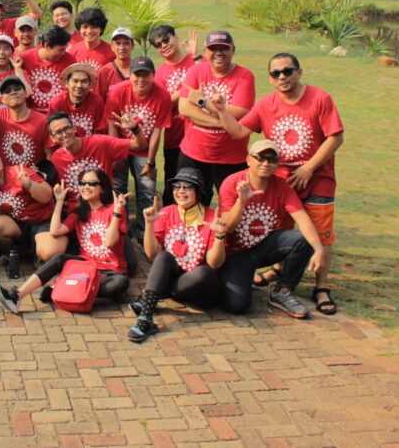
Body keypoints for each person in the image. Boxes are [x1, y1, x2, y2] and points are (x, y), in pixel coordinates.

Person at [209, 53, 344, 315]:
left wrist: (308, 168)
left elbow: (335, 137)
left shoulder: (319, 98)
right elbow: (237, 132)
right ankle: (280, 269)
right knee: (282, 229)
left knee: (320, 231)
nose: (282, 76)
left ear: (299, 72)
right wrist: (222, 110)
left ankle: (321, 286)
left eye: (287, 71)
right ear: (270, 79)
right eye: (276, 73)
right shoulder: (265, 105)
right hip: (279, 179)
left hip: (318, 176)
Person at [0, 170, 131, 315]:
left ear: (102, 188)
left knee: (120, 284)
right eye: (82, 183)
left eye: (92, 183)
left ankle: (64, 289)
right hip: (85, 266)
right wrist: (59, 201)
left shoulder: (114, 210)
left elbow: (109, 243)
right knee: (59, 258)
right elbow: (54, 231)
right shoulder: (80, 212)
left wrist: (117, 213)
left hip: (110, 271)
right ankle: (17, 295)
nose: (86, 187)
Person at [217, 140, 324, 318]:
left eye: (271, 159)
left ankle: (282, 291)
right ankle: (229, 278)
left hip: (264, 245)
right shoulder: (232, 183)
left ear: (277, 164)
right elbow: (228, 227)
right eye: (260, 158)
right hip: (235, 252)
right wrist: (241, 201)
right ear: (248, 159)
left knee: (302, 239)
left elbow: (301, 217)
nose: (265, 163)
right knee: (237, 305)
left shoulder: (282, 185)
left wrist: (319, 248)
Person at [126, 168, 227, 342]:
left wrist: (219, 236)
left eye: (187, 187)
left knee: (204, 272)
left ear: (199, 190)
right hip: (174, 281)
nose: (180, 191)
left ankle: (151, 297)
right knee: (164, 256)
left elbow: (214, 263)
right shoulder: (168, 212)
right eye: (176, 186)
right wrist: (149, 224)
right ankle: (145, 318)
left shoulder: (211, 218)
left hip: (200, 289)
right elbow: (151, 253)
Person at [177, 30, 255, 205]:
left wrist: (202, 102)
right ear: (205, 51)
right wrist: (223, 121)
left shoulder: (245, 76)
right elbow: (184, 108)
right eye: (213, 48)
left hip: (231, 157)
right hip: (193, 153)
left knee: (234, 206)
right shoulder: (196, 71)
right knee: (190, 206)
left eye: (224, 48)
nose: (218, 52)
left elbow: (239, 111)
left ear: (233, 50)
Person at [106, 56, 172, 238]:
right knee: (118, 187)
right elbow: (111, 122)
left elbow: (157, 132)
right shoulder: (119, 91)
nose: (141, 79)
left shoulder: (162, 95)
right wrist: (115, 153)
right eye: (137, 75)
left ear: (153, 75)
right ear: (130, 75)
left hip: (144, 149)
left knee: (147, 188)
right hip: (122, 144)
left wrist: (150, 162)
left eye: (146, 75)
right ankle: (121, 228)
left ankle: (145, 232)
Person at [0, 140, 59, 273]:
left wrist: (29, 184)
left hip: (42, 220)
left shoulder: (18, 171)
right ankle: (13, 255)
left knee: (48, 252)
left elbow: (47, 197)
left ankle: (38, 255)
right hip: (21, 225)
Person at [149, 25, 199, 205]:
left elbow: (206, 86)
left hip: (199, 135)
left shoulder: (194, 61)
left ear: (175, 37)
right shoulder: (160, 73)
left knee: (199, 184)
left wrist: (196, 56)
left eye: (166, 39)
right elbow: (163, 105)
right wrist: (187, 89)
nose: (163, 46)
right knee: (174, 182)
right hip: (174, 139)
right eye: (158, 44)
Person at [48, 111, 146, 200]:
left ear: (74, 128)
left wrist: (134, 128)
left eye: (67, 128)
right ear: (53, 138)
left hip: (104, 208)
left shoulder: (99, 143)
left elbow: (140, 145)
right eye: (58, 132)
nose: (64, 134)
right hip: (76, 213)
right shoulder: (56, 159)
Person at [0, 75, 49, 167]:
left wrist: (43, 174)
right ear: (2, 100)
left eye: (17, 88)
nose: (13, 92)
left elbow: (50, 155)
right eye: (7, 91)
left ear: (25, 93)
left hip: (32, 178)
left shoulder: (43, 121)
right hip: (6, 178)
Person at [20, 25, 76, 113]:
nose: (63, 53)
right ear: (46, 45)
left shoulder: (70, 61)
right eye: (60, 50)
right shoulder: (25, 58)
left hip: (58, 115)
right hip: (32, 115)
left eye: (65, 49)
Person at [47, 63, 106, 139]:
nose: (79, 85)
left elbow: (98, 132)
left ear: (90, 85)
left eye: (84, 81)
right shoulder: (57, 102)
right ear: (67, 83)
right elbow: (53, 133)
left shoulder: (97, 101)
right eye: (75, 81)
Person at [69, 7, 116, 83]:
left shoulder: (112, 52)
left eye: (94, 27)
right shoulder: (73, 51)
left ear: (101, 29)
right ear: (79, 29)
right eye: (85, 27)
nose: (89, 31)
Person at [95, 27, 134, 98]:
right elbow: (98, 101)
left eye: (126, 43)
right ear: (112, 47)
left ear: (132, 46)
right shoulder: (104, 72)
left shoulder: (140, 70)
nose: (122, 47)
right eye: (118, 44)